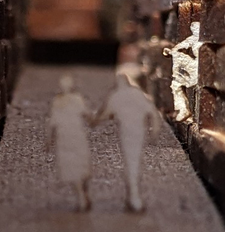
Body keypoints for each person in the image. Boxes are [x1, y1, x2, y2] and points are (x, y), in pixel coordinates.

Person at [103, 65, 157, 213]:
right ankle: (133, 195)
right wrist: (154, 130)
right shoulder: (134, 95)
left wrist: (93, 120)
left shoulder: (119, 95)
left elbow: (106, 114)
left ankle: (134, 196)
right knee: (133, 163)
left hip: (131, 133)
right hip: (135, 133)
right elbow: (152, 113)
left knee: (132, 163)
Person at [47, 73, 97, 211]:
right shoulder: (77, 99)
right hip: (76, 135)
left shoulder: (57, 102)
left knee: (72, 166)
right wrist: (94, 121)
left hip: (64, 137)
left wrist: (49, 140)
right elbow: (87, 115)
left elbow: (52, 123)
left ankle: (81, 195)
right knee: (81, 164)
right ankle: (82, 196)